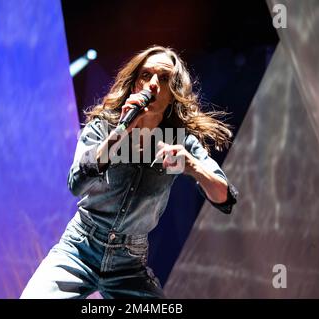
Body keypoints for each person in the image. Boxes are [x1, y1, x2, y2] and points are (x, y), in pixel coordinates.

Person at [21, 45, 238, 299]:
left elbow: (225, 197)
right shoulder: (104, 127)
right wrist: (119, 135)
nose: (153, 83)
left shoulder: (180, 139)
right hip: (79, 248)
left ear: (173, 93)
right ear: (135, 84)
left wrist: (192, 166)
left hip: (129, 265)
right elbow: (76, 184)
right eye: (146, 75)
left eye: (164, 78)